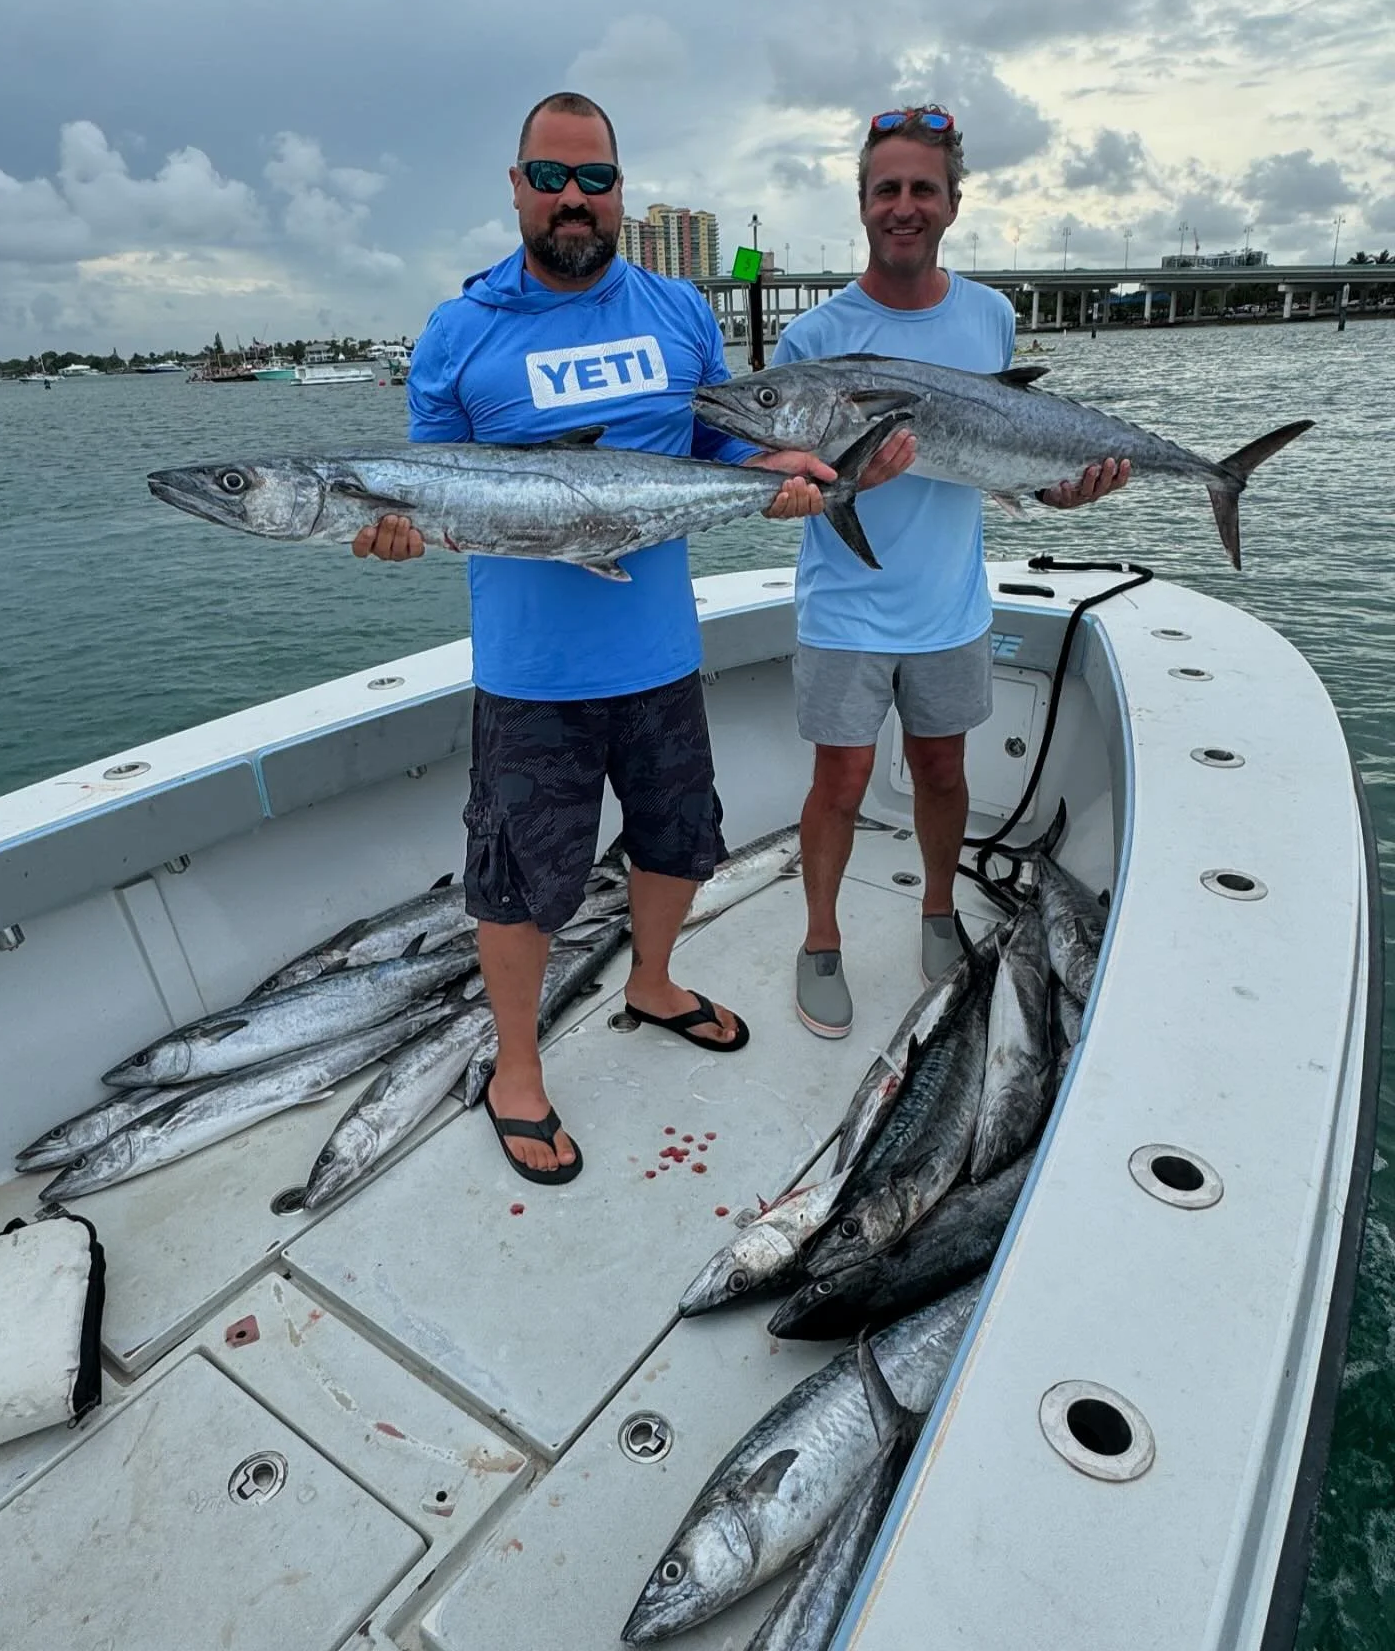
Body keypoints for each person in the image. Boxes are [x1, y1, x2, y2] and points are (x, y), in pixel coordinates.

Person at [351, 91, 913, 1178]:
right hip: (532, 675)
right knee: (518, 884)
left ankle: (652, 983)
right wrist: (396, 534)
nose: (574, 199)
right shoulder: (459, 333)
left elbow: (719, 448)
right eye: (552, 178)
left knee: (677, 840)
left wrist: (785, 477)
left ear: (622, 193)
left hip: (660, 655)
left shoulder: (678, 313)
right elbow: (429, 487)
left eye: (595, 180)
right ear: (517, 187)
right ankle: (517, 1068)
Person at [769, 105, 1129, 1039]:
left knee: (942, 770)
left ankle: (937, 909)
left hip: (952, 604)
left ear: (952, 203)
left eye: (922, 188)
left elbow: (1010, 457)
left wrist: (1066, 493)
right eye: (886, 189)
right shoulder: (815, 342)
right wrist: (844, 475)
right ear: (862, 203)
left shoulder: (990, 316)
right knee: (839, 783)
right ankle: (820, 938)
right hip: (846, 605)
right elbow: (782, 488)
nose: (904, 206)